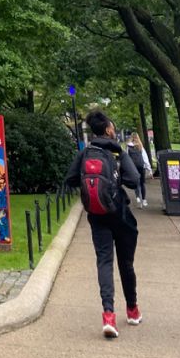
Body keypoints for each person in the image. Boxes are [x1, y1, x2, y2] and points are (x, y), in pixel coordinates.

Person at [66, 109, 142, 338]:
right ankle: (132, 309)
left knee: (104, 262)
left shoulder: (86, 152)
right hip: (119, 214)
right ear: (109, 129)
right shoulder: (117, 151)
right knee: (126, 263)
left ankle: (108, 314)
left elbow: (69, 179)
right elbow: (133, 180)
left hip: (97, 216)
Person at [125, 132, 152, 207]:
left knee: (136, 182)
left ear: (131, 137)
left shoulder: (128, 146)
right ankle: (144, 200)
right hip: (141, 166)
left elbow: (126, 157)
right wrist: (149, 169)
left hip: (133, 167)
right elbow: (145, 158)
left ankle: (138, 198)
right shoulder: (140, 146)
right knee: (142, 183)